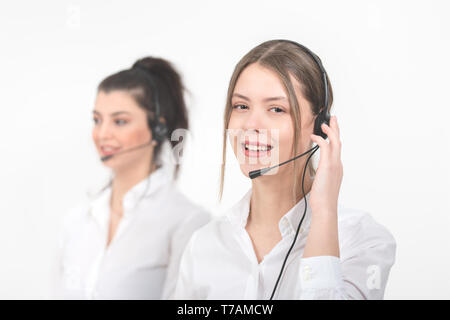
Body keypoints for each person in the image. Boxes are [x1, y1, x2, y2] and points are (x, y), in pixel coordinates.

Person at [174, 40, 396, 299]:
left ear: (319, 125)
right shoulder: (204, 245)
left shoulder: (363, 240)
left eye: (277, 109)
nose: (251, 124)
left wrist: (324, 212)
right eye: (241, 106)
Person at [58, 57, 210, 299]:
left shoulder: (186, 223)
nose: (102, 134)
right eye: (97, 120)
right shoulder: (78, 220)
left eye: (120, 121)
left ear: (157, 129)